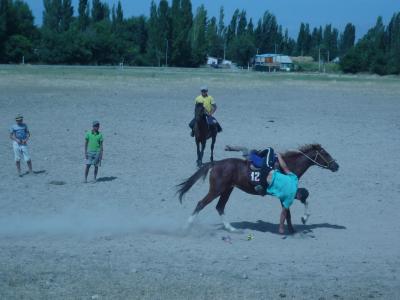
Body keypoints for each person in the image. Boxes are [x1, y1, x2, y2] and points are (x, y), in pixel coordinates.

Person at [225, 145, 309, 234]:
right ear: (299, 197)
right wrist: (281, 227)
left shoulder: (294, 179)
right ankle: (260, 186)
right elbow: (283, 213)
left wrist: (279, 157)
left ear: (299, 190)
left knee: (270, 149)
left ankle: (260, 182)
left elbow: (285, 168)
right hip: (266, 184)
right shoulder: (289, 199)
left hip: (267, 172)